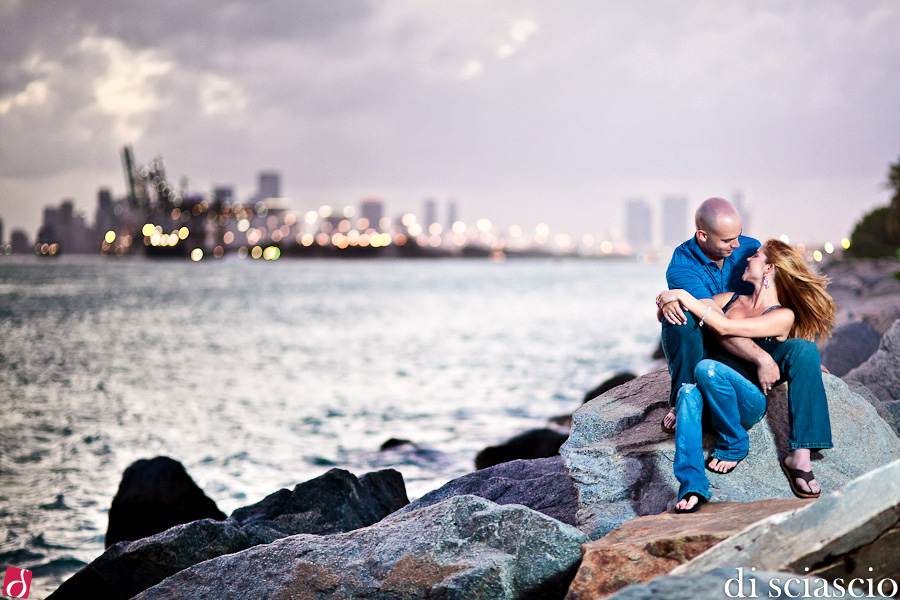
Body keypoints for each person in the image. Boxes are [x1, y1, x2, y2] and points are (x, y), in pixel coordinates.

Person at [658, 198, 832, 500]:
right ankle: (684, 402)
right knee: (680, 321)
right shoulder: (684, 266)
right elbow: (714, 322)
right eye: (728, 240)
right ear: (703, 236)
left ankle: (800, 456)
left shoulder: (750, 252)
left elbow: (770, 310)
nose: (741, 248)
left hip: (747, 355)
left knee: (804, 351)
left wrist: (781, 360)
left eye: (741, 238)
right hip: (718, 352)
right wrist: (669, 298)